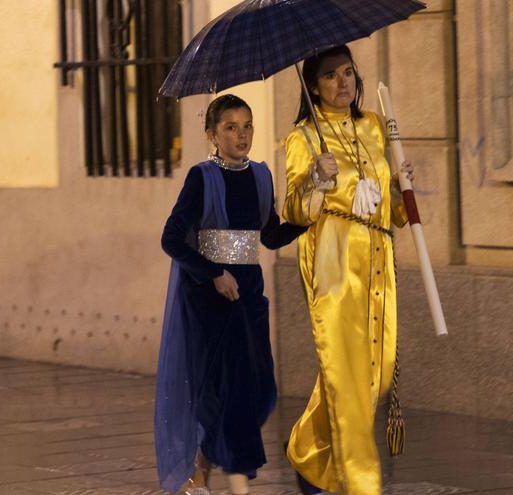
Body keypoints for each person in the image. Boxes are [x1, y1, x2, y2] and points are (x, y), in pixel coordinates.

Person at [154, 94, 305, 495]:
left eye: (247, 125)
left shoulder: (261, 175)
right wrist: (214, 273)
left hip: (249, 293)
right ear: (212, 135)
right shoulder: (201, 177)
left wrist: (311, 216)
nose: (241, 135)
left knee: (256, 388)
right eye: (230, 127)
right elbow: (172, 239)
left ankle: (201, 471)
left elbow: (270, 235)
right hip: (210, 298)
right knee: (224, 388)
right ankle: (227, 481)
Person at [282, 45, 415, 495]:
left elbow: (390, 207)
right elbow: (295, 210)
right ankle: (363, 486)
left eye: (348, 73)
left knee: (371, 374)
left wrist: (401, 189)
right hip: (334, 263)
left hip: (377, 261)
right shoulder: (303, 137)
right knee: (349, 379)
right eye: (331, 76)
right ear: (314, 86)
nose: (343, 83)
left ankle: (306, 450)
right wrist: (317, 181)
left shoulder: (374, 127)